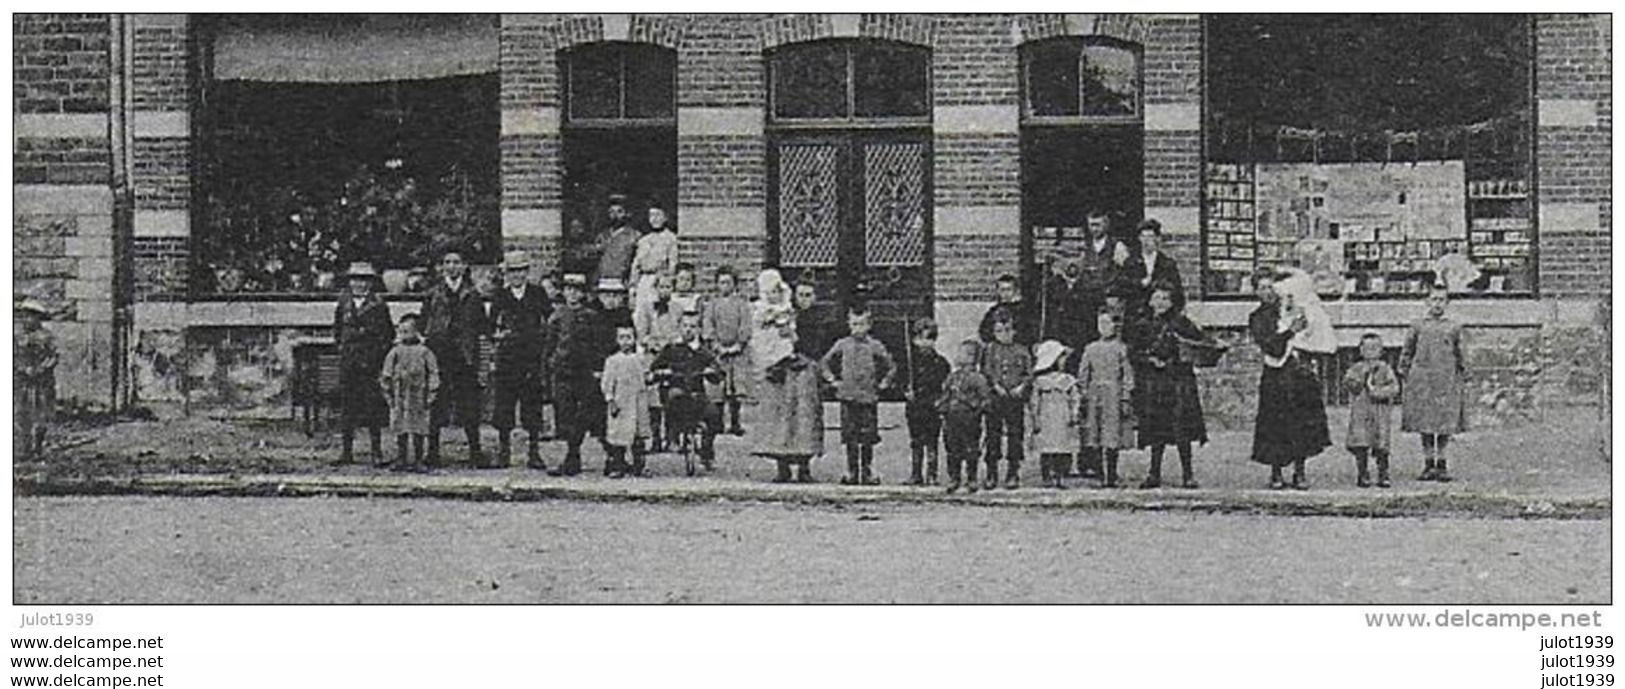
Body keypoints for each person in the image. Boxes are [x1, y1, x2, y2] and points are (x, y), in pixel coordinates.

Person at [1248, 268, 1333, 489]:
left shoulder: (1294, 305)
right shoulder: (1258, 317)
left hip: (1298, 373)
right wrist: (1289, 332)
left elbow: (1313, 330)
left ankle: (1300, 471)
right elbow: (1270, 346)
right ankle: (1276, 472)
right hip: (1276, 375)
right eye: (1262, 288)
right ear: (1256, 292)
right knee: (1276, 424)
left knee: (1301, 422)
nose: (1268, 292)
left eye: (1271, 287)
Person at [1127, 284, 1208, 489]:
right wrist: (1150, 360)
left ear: (1172, 302)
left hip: (1178, 382)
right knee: (1156, 429)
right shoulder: (1143, 325)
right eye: (1157, 298)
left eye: (1165, 298)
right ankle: (1154, 473)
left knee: (1182, 429)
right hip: (1155, 383)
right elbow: (1133, 353)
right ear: (1150, 301)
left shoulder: (1182, 322)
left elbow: (1199, 342)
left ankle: (1187, 474)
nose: (1161, 303)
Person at [420, 250, 490, 468]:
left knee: (469, 406)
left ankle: (475, 452)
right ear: (442, 267)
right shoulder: (433, 294)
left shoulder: (473, 294)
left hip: (464, 358)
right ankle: (432, 452)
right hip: (439, 357)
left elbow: (482, 328)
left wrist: (480, 360)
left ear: (463, 266)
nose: (451, 266)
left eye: (456, 262)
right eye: (447, 262)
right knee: (437, 405)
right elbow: (424, 324)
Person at [489, 250, 553, 470]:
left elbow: (550, 320)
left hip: (531, 357)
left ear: (527, 272)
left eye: (521, 271)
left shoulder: (537, 293)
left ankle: (534, 452)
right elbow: (491, 326)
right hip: (507, 358)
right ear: (507, 274)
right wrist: (498, 337)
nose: (517, 275)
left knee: (532, 406)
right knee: (504, 405)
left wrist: (541, 343)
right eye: (512, 271)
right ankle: (504, 450)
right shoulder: (500, 295)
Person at [821, 304, 895, 486]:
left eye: (861, 325)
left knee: (868, 436)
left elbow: (891, 366)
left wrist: (885, 382)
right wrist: (833, 380)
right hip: (848, 396)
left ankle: (867, 471)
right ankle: (851, 471)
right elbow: (825, 362)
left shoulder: (875, 346)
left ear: (869, 325)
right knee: (850, 436)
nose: (857, 329)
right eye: (854, 324)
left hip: (868, 397)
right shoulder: (842, 344)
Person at [1401, 284, 1467, 482]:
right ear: (1427, 302)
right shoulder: (1418, 325)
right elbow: (1407, 350)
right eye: (1434, 300)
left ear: (1447, 303)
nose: (1437, 304)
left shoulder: (1453, 326)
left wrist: (1463, 371)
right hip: (1423, 380)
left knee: (1444, 423)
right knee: (1426, 423)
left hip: (1446, 380)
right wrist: (1405, 371)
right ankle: (1428, 463)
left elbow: (1461, 351)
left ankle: (1442, 463)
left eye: (1441, 300)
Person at [334, 261, 392, 465]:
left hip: (370, 363)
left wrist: (376, 357)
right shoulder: (344, 302)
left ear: (371, 283)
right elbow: (338, 332)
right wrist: (345, 350)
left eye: (364, 280)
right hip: (349, 362)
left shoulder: (378, 304)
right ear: (350, 282)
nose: (359, 284)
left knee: (372, 408)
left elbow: (387, 335)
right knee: (347, 407)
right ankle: (346, 452)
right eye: (355, 279)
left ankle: (376, 451)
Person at [651, 311, 725, 471]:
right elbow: (654, 368)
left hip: (697, 393)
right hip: (676, 391)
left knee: (713, 414)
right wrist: (662, 372)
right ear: (679, 328)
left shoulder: (702, 351)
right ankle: (673, 437)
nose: (688, 330)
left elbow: (718, 372)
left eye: (692, 326)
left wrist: (711, 372)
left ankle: (707, 451)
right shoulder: (671, 349)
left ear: (698, 329)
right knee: (674, 398)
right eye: (685, 326)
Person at [751, 319, 823, 484]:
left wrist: (798, 344)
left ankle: (804, 467)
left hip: (803, 374)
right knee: (779, 419)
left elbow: (816, 348)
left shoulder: (811, 320)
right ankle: (782, 467)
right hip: (778, 375)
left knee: (804, 419)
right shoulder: (769, 317)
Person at [1077, 312, 1135, 489]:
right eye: (1100, 323)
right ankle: (1099, 472)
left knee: (1112, 434)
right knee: (1095, 433)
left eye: (1107, 323)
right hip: (1095, 394)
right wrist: (1085, 394)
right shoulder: (1090, 348)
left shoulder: (1121, 348)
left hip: (1113, 394)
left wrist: (1125, 396)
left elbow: (1127, 375)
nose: (1103, 327)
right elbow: (1083, 374)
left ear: (1114, 326)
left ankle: (1111, 473)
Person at [548, 274, 597, 476]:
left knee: (583, 415)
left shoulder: (591, 317)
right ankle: (571, 455)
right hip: (563, 373)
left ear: (583, 293)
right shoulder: (557, 316)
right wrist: (549, 370)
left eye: (577, 290)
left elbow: (597, 345)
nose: (573, 294)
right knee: (566, 415)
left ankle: (573, 455)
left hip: (584, 373)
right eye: (569, 289)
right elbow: (549, 347)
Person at [380, 314, 440, 473]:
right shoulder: (395, 352)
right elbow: (386, 373)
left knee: (418, 427)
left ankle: (419, 459)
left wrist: (431, 393)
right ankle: (401, 458)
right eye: (401, 331)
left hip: (419, 396)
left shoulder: (424, 351)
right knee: (401, 427)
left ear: (416, 332)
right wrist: (388, 394)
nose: (404, 335)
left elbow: (434, 372)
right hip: (400, 395)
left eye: (407, 331)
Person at [981, 313, 1034, 489]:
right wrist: (996, 386)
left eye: (1007, 330)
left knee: (1015, 435)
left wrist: (1021, 387)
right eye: (999, 331)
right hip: (996, 397)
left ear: (1014, 331)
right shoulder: (990, 350)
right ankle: (991, 473)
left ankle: (1013, 472)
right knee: (993, 435)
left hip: (1015, 398)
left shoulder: (1022, 350)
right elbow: (987, 371)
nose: (1003, 334)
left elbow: (1029, 373)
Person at [1344, 332, 1401, 488]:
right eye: (1367, 348)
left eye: (1375, 348)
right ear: (1361, 350)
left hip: (1379, 411)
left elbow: (1394, 388)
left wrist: (1377, 391)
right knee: (1360, 443)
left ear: (1381, 351)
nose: (1371, 352)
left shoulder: (1385, 368)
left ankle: (1383, 473)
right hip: (1361, 412)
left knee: (1381, 444)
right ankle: (1363, 473)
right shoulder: (1356, 368)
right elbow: (1349, 384)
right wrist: (1361, 378)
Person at [636, 272, 684, 450]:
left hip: (672, 357)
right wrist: (653, 343)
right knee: (653, 399)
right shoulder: (646, 308)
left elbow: (680, 331)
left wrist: (670, 343)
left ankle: (672, 437)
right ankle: (655, 438)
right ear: (655, 289)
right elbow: (641, 333)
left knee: (673, 396)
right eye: (661, 287)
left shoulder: (677, 308)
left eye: (668, 287)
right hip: (652, 356)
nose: (665, 290)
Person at [702, 266, 752, 436]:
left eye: (728, 282)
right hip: (719, 353)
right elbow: (708, 326)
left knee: (735, 389)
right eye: (721, 282)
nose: (725, 286)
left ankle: (735, 422)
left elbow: (746, 325)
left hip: (737, 353)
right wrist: (717, 345)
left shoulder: (741, 304)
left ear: (734, 284)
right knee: (719, 389)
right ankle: (718, 422)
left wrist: (739, 344)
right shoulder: (712, 305)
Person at [938, 338, 991, 494]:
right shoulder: (952, 377)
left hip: (969, 419)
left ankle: (972, 478)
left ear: (971, 357)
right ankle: (954, 478)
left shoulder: (978, 378)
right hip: (951, 418)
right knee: (953, 450)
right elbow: (946, 394)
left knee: (971, 450)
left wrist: (977, 408)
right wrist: (942, 406)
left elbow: (985, 399)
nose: (958, 355)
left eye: (962, 353)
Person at [903, 318, 951, 485]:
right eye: (921, 339)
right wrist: (906, 391)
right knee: (916, 441)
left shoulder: (941, 363)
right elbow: (901, 382)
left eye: (929, 339)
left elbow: (946, 386)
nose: (925, 343)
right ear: (915, 340)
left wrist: (941, 401)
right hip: (915, 406)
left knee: (932, 441)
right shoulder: (910, 363)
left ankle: (932, 473)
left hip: (932, 406)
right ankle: (916, 473)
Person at [1027, 340, 1080, 489]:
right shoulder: (1040, 382)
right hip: (1047, 417)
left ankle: (1060, 476)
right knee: (1047, 448)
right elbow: (1034, 401)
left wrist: (1074, 413)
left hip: (1063, 417)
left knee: (1063, 448)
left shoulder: (1068, 380)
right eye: (1061, 358)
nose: (1063, 361)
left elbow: (1075, 399)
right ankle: (1047, 476)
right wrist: (1035, 418)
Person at [600, 325, 650, 479]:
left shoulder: (640, 359)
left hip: (638, 401)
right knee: (618, 435)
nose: (626, 341)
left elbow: (646, 378)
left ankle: (639, 465)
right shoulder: (613, 361)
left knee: (638, 435)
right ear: (617, 340)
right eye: (622, 338)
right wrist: (611, 400)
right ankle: (618, 465)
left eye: (629, 337)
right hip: (621, 402)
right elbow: (607, 384)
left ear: (634, 339)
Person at [14, 297, 57, 459]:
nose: (27, 319)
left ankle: (38, 447)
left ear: (38, 318)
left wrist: (41, 369)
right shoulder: (17, 337)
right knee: (22, 414)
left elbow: (53, 356)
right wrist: (22, 368)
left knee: (41, 414)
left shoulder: (46, 336)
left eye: (31, 316)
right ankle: (24, 448)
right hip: (22, 380)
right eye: (24, 316)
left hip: (42, 382)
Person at [1120, 219, 1185, 319]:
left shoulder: (1167, 264)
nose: (1146, 241)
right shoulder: (1130, 263)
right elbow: (1122, 288)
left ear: (1157, 238)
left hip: (1160, 318)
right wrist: (1140, 283)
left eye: (1150, 236)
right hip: (1136, 318)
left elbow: (1178, 295)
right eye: (1143, 236)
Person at [751, 269, 798, 383]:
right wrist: (768, 319)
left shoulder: (786, 307)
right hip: (765, 339)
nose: (772, 296)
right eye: (769, 293)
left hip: (781, 338)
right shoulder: (760, 308)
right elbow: (756, 323)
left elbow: (790, 323)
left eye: (775, 292)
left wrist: (789, 327)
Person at [631, 206, 679, 316]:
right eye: (651, 215)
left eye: (658, 215)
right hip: (643, 281)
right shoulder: (644, 240)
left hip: (659, 280)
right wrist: (633, 285)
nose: (654, 219)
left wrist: (666, 282)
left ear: (665, 218)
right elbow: (636, 264)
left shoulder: (671, 239)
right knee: (640, 312)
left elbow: (673, 262)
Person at [979, 274, 1037, 347]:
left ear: (1015, 290)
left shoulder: (1024, 311)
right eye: (1002, 290)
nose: (1006, 293)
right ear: (998, 291)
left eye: (1009, 289)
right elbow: (984, 331)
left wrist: (1012, 337)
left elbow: (1030, 332)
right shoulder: (993, 311)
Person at [595, 194, 639, 287]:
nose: (615, 216)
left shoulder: (634, 236)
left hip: (622, 282)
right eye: (612, 212)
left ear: (627, 214)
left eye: (619, 212)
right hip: (603, 280)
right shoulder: (602, 236)